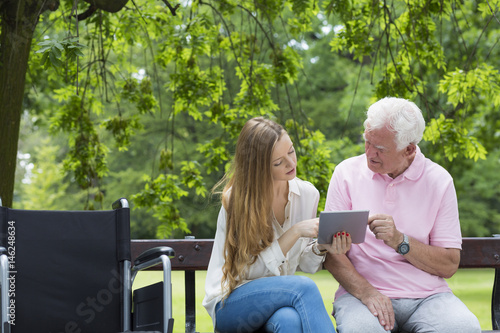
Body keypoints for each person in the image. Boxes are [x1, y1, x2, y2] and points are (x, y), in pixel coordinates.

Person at [324, 97, 481, 333]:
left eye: (381, 149)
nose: (370, 153)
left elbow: (449, 264)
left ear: (409, 149)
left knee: (464, 327)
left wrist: (400, 240)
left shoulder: (439, 181)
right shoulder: (345, 174)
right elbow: (331, 253)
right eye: (367, 143)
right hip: (362, 295)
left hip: (428, 298)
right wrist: (368, 294)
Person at [203, 117, 350, 333]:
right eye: (278, 162)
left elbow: (307, 265)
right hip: (230, 304)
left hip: (280, 302)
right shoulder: (238, 201)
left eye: (291, 151)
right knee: (304, 287)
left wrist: (321, 246)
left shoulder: (308, 194)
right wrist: (295, 232)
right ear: (258, 168)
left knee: (289, 321)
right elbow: (246, 272)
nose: (291, 164)